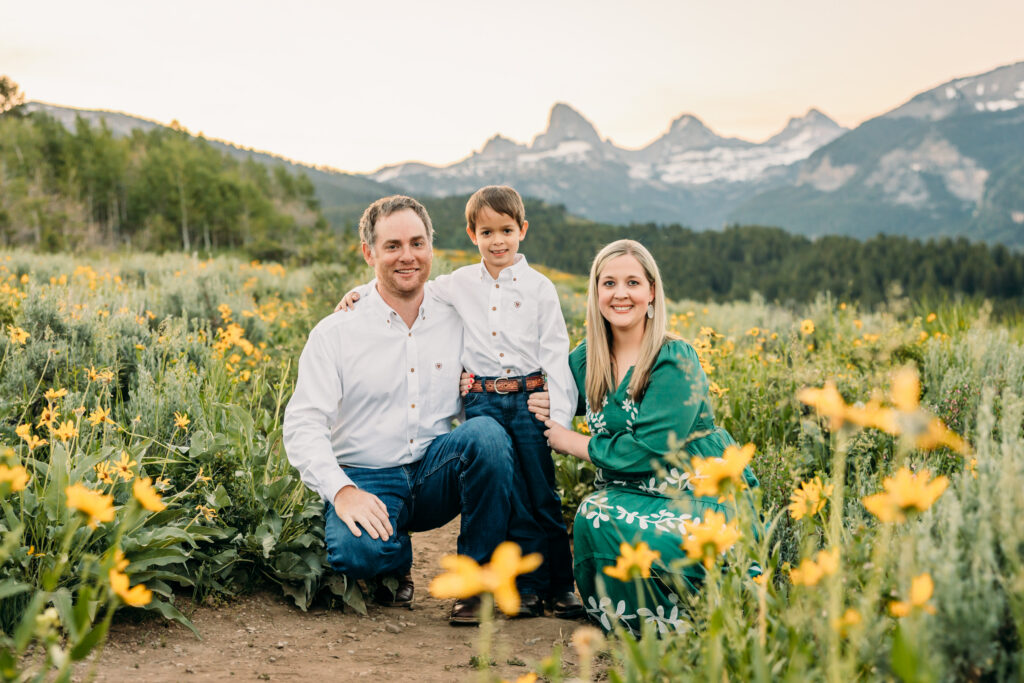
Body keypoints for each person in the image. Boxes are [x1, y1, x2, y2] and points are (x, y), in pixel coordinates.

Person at [284, 195, 538, 625]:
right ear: (369, 253)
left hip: (436, 468)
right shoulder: (336, 332)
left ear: (431, 248)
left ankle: (475, 582)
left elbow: (514, 344)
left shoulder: (458, 314)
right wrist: (342, 492)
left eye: (417, 243)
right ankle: (392, 557)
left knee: (489, 435)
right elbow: (303, 423)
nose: (408, 256)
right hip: (367, 474)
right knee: (357, 554)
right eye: (393, 246)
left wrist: (546, 390)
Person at [336, 186, 584, 619]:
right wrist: (359, 292)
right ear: (473, 234)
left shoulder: (541, 288)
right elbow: (405, 282)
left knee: (538, 493)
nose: (498, 240)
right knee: (503, 493)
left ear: (522, 230)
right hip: (484, 401)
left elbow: (556, 354)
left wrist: (559, 419)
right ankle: (510, 587)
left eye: (507, 230)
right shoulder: (459, 284)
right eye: (487, 232)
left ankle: (559, 586)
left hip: (528, 400)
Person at [541, 239, 759, 635]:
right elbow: (554, 398)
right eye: (608, 283)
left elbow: (649, 450)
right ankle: (642, 621)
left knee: (631, 523)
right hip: (628, 495)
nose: (620, 294)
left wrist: (571, 441)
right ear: (595, 293)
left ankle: (716, 620)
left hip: (696, 491)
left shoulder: (674, 358)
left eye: (632, 283)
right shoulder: (584, 359)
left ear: (651, 291)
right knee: (594, 514)